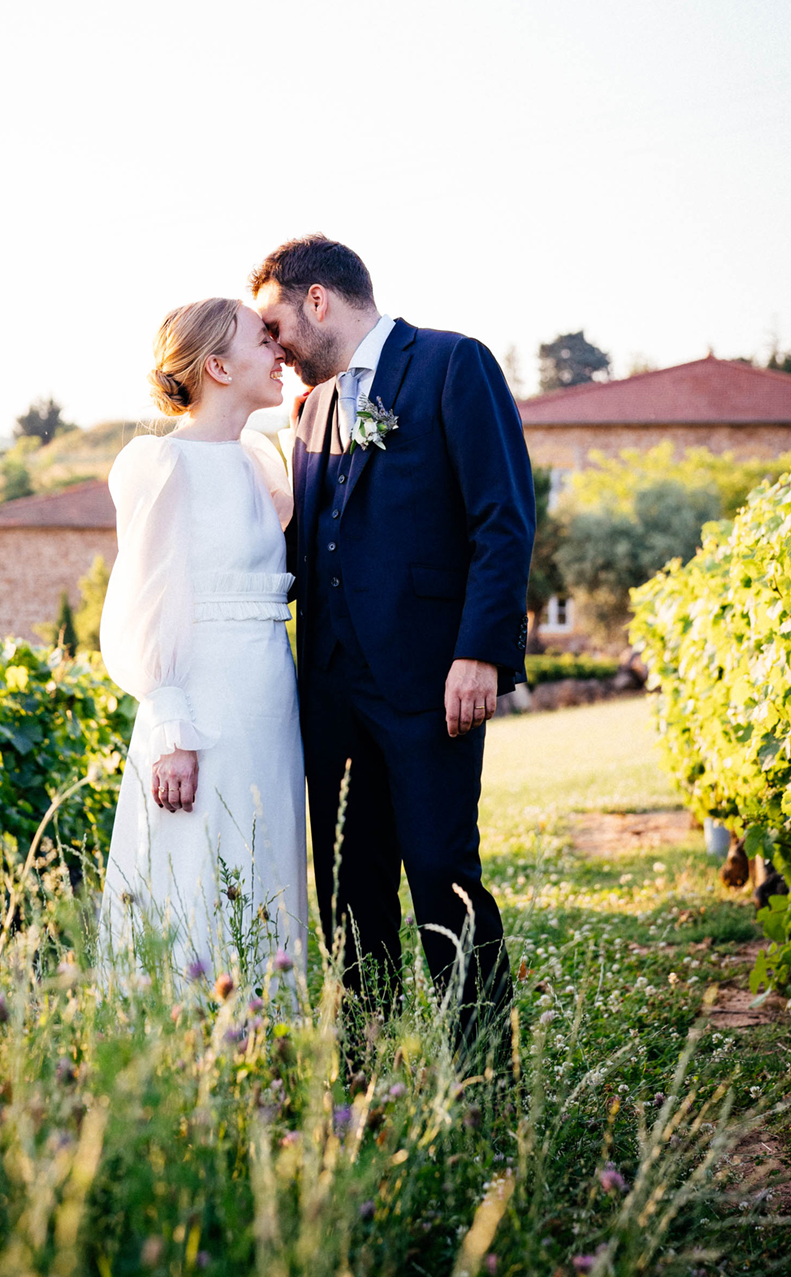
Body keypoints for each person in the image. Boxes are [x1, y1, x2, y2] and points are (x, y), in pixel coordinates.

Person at [251, 235, 536, 1033]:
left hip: (429, 684)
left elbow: (502, 519)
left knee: (444, 876)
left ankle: (481, 1088)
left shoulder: (453, 364)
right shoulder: (308, 412)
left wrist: (479, 651)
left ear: (318, 300)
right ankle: (366, 1082)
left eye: (275, 326)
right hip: (332, 694)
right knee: (349, 890)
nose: (272, 348)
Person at [99, 297, 308, 974]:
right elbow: (144, 604)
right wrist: (170, 730)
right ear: (217, 365)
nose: (279, 350)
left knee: (264, 862)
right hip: (202, 707)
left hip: (269, 695)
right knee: (196, 871)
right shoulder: (162, 464)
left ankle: (267, 1044)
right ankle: (189, 1045)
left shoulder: (259, 459)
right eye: (263, 338)